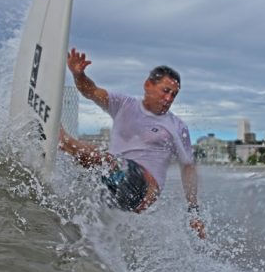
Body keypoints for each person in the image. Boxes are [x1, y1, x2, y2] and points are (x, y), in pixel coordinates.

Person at [59, 48, 206, 239]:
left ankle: (60, 139)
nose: (169, 99)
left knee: (106, 161)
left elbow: (188, 168)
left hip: (145, 188)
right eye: (166, 91)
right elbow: (92, 91)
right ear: (148, 85)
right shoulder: (124, 104)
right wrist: (78, 74)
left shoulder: (177, 126)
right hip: (115, 182)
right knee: (84, 172)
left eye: (173, 95)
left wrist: (193, 212)